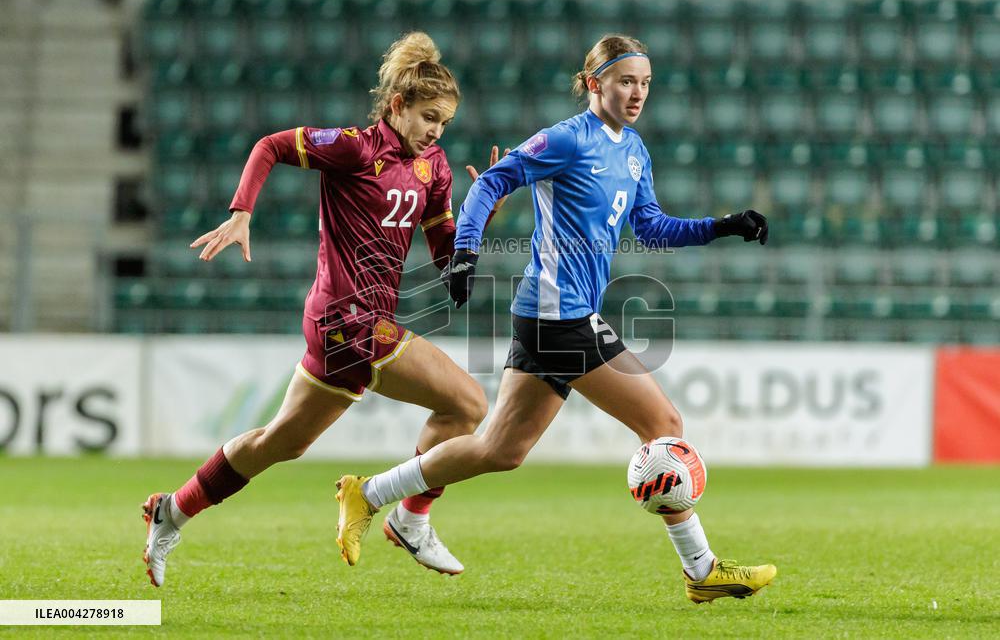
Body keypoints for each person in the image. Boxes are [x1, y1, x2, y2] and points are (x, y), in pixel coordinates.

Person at [335, 35, 777, 604]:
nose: (637, 93)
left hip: (554, 316)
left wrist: (722, 225)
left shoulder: (634, 150)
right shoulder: (567, 139)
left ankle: (373, 496)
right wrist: (465, 250)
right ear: (595, 83)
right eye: (625, 81)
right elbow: (492, 181)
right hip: (558, 315)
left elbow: (651, 228)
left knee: (500, 450)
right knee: (663, 423)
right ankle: (702, 569)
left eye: (645, 82)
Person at [142, 31, 507, 586]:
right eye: (429, 117)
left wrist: (482, 214)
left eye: (445, 122)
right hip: (346, 319)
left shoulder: (434, 166)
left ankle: (172, 510)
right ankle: (409, 516)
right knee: (467, 404)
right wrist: (241, 212)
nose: (436, 131)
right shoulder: (355, 148)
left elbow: (445, 259)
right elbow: (270, 145)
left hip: (358, 325)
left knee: (279, 443)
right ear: (397, 106)